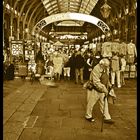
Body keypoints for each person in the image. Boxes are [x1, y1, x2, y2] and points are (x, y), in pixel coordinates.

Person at [85, 58, 114, 124]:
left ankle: (107, 117)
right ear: (101, 64)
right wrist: (104, 89)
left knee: (104, 103)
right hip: (94, 89)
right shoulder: (96, 69)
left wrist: (109, 85)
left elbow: (107, 78)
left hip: (102, 88)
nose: (107, 67)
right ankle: (88, 116)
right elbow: (96, 82)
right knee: (91, 103)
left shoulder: (106, 68)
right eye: (106, 66)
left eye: (107, 66)